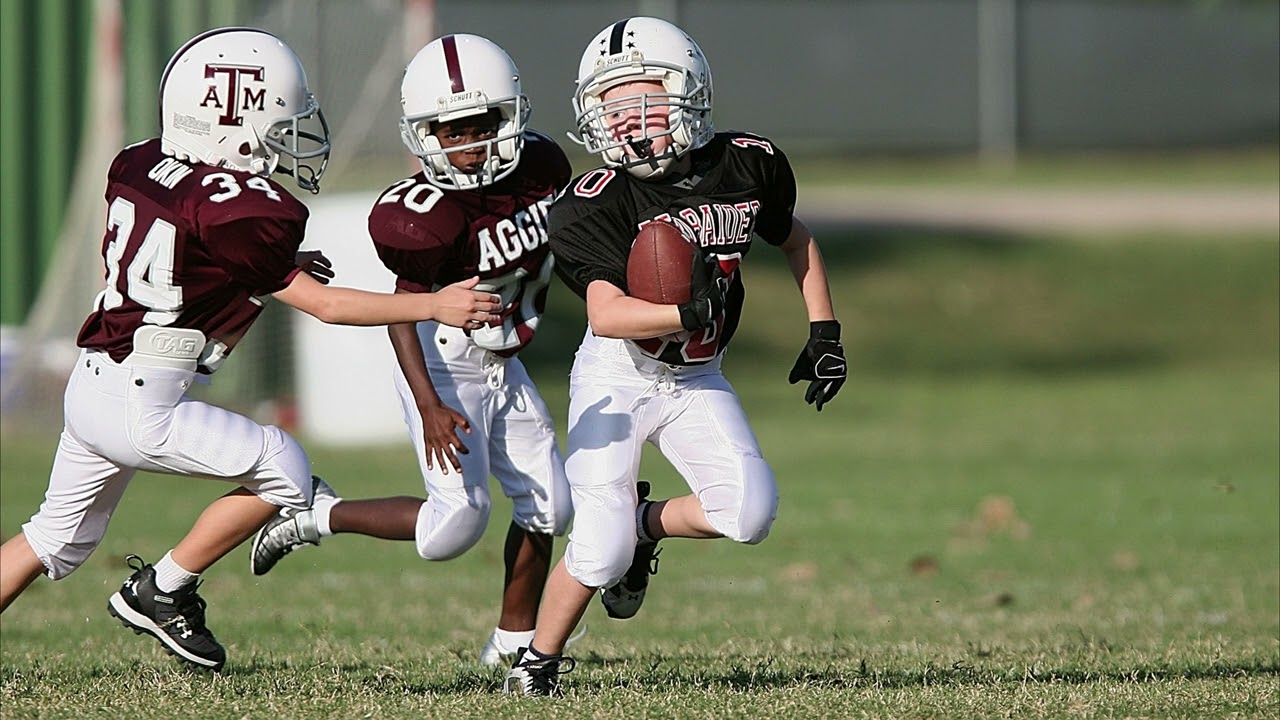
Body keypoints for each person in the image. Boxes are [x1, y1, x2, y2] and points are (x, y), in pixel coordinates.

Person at [0, 27, 501, 673]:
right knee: (284, 468)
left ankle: (162, 589)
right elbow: (327, 306)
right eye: (277, 124)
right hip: (143, 398)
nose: (286, 139)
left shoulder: (140, 159)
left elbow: (187, 249)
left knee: (53, 540)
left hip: (95, 379)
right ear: (232, 120)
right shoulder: (236, 205)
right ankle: (163, 587)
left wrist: (275, 264)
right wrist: (433, 305)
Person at [503, 17, 847, 695]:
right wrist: (683, 311)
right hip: (618, 375)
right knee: (598, 552)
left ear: (690, 93)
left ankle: (643, 522)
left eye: (645, 100)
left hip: (696, 375)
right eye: (611, 105)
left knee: (747, 512)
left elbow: (793, 236)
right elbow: (606, 313)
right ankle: (536, 662)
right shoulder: (592, 202)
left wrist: (825, 330)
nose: (628, 120)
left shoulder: (750, 162)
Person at [248, 34, 576, 667]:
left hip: (504, 359)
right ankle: (319, 514)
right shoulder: (424, 216)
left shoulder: (541, 168)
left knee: (551, 507)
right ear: (424, 134)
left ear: (509, 116)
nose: (469, 144)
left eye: (479, 125)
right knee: (452, 528)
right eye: (449, 131)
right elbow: (406, 316)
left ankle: (511, 645)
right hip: (442, 360)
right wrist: (428, 404)